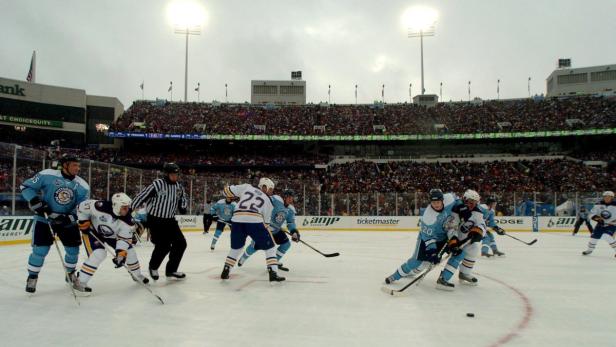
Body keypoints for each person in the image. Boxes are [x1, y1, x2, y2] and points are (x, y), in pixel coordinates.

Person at [20, 154, 90, 293]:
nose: (77, 168)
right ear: (64, 165)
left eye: (78, 165)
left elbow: (82, 206)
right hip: (44, 218)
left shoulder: (82, 185)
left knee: (73, 251)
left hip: (67, 222)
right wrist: (35, 201)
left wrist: (70, 217)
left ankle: (70, 276)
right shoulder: (47, 174)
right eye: (74, 165)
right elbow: (26, 187)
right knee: (40, 251)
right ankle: (32, 277)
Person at [76, 193, 149, 294]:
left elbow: (124, 240)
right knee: (99, 254)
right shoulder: (100, 206)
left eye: (128, 207)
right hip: (93, 232)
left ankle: (137, 275)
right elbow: (82, 206)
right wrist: (83, 221)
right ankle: (80, 281)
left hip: (112, 236)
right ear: (116, 205)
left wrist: (121, 254)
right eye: (124, 207)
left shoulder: (128, 221)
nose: (127, 210)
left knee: (130, 251)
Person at [220, 178, 285, 282]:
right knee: (270, 247)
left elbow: (226, 191)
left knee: (236, 248)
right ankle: (273, 272)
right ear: (264, 187)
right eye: (271, 189)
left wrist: (231, 194)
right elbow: (266, 224)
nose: (271, 192)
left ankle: (226, 269)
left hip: (236, 220)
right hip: (254, 220)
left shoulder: (247, 187)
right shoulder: (268, 201)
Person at [131, 162, 188, 280]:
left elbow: (183, 198)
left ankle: (171, 270)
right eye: (173, 174)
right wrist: (130, 210)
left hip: (170, 220)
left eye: (177, 175)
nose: (175, 177)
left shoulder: (179, 187)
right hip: (156, 220)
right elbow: (142, 196)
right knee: (164, 245)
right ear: (166, 174)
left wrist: (183, 207)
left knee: (181, 244)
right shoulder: (157, 184)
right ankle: (153, 267)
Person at [384, 189, 455, 284]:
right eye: (433, 203)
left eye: (438, 202)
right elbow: (428, 238)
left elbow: (459, 203)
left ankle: (442, 277)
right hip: (427, 239)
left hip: (444, 237)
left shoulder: (449, 198)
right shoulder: (428, 217)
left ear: (443, 200)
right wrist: (433, 252)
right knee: (416, 261)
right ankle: (395, 276)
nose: (436, 205)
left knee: (456, 251)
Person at [238, 189, 300, 271]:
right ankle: (243, 257)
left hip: (276, 230)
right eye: (289, 197)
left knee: (286, 244)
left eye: (292, 198)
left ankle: (274, 262)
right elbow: (263, 201)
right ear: (284, 197)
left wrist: (294, 232)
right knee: (254, 247)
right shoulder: (276, 199)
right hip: (265, 229)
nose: (291, 199)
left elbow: (290, 222)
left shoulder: (291, 209)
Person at [436, 189, 486, 291]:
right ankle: (443, 278)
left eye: (475, 202)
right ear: (465, 199)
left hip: (467, 239)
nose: (472, 204)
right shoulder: (456, 209)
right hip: (454, 239)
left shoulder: (478, 211)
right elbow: (451, 227)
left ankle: (464, 273)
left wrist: (479, 231)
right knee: (458, 253)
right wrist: (453, 241)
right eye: (470, 201)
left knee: (474, 249)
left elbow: (482, 224)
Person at [582, 191, 616, 257]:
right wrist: (597, 218)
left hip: (612, 224)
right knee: (594, 238)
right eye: (605, 197)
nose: (607, 198)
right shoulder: (598, 204)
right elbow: (591, 214)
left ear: (612, 197)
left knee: (607, 236)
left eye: (609, 197)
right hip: (600, 224)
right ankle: (589, 250)